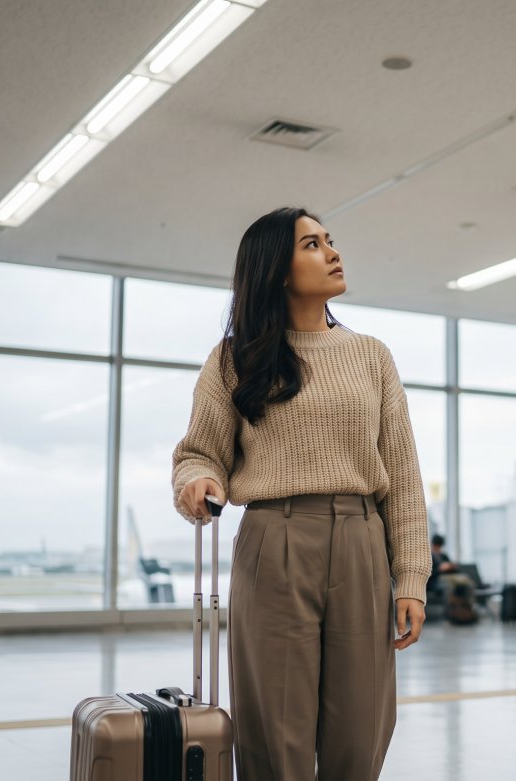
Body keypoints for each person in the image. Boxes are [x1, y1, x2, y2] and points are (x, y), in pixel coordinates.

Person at [172, 207, 431, 781]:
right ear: (276, 270)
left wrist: (411, 575)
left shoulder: (371, 356)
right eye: (312, 244)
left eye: (329, 241)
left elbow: (404, 475)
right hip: (274, 539)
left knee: (361, 726)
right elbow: (199, 451)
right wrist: (197, 481)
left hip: (362, 540)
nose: (333, 252)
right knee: (274, 726)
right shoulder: (233, 358)